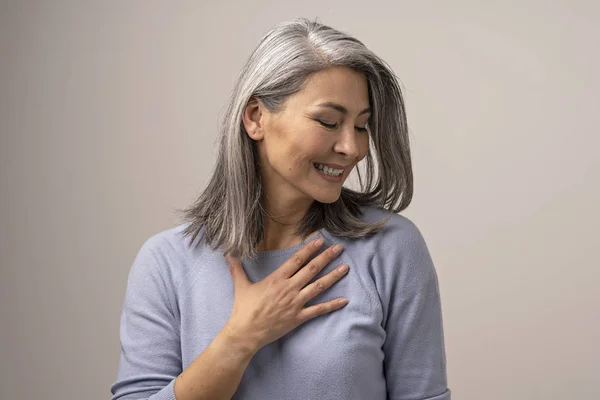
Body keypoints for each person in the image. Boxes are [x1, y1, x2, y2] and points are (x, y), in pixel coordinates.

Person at [110, 17, 450, 400]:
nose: (352, 148)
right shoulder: (166, 263)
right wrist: (241, 338)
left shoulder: (391, 248)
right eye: (328, 121)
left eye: (360, 126)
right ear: (256, 117)